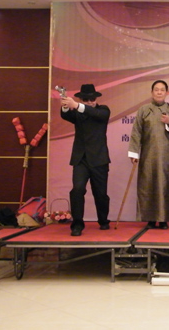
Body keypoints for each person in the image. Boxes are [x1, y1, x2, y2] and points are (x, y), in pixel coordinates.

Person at [128, 80, 169, 230]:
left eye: (162, 90)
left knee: (165, 186)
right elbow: (136, 132)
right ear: (152, 92)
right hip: (148, 156)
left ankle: (164, 219)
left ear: (166, 92)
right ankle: (150, 219)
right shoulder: (144, 110)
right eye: (156, 90)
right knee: (148, 186)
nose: (159, 92)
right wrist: (134, 153)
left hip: (166, 157)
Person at [60, 84, 110, 236]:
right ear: (81, 99)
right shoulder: (78, 113)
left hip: (99, 159)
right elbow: (66, 115)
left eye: (92, 99)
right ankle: (77, 224)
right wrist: (65, 106)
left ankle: (103, 220)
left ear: (96, 99)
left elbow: (96, 114)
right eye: (85, 100)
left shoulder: (103, 110)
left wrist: (76, 105)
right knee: (77, 190)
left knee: (100, 194)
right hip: (81, 159)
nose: (89, 102)